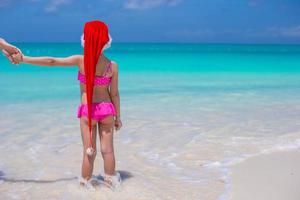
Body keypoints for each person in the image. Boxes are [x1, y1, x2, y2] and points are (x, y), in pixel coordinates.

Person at [5, 20, 123, 189]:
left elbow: (52, 61)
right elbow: (115, 94)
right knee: (108, 151)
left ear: (85, 40)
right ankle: (112, 182)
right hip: (107, 110)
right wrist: (118, 117)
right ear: (106, 41)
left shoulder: (80, 60)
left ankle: (85, 185)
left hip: (88, 111)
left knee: (89, 152)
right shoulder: (112, 66)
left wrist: (24, 59)